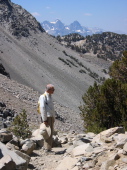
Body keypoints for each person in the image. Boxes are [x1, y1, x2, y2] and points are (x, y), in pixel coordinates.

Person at [39, 84, 55, 152]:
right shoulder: (43, 96)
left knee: (50, 132)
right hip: (47, 117)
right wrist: (44, 119)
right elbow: (42, 108)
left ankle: (48, 147)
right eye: (52, 90)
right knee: (48, 133)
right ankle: (47, 148)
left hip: (50, 116)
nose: (53, 91)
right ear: (48, 90)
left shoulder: (50, 96)